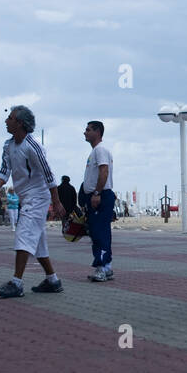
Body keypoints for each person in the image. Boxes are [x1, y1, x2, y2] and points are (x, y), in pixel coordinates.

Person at [0, 105, 65, 298]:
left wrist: (56, 201)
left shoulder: (33, 146)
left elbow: (49, 174)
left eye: (10, 118)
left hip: (38, 197)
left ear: (20, 123)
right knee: (37, 242)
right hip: (25, 197)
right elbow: (4, 170)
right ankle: (53, 280)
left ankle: (16, 283)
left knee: (23, 235)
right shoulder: (8, 145)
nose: (6, 121)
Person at [79, 120, 115, 281]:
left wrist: (97, 193)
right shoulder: (95, 151)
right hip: (95, 195)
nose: (84, 132)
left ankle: (101, 268)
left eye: (88, 130)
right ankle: (106, 267)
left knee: (99, 232)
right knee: (99, 232)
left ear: (97, 132)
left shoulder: (100, 150)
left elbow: (104, 171)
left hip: (100, 196)